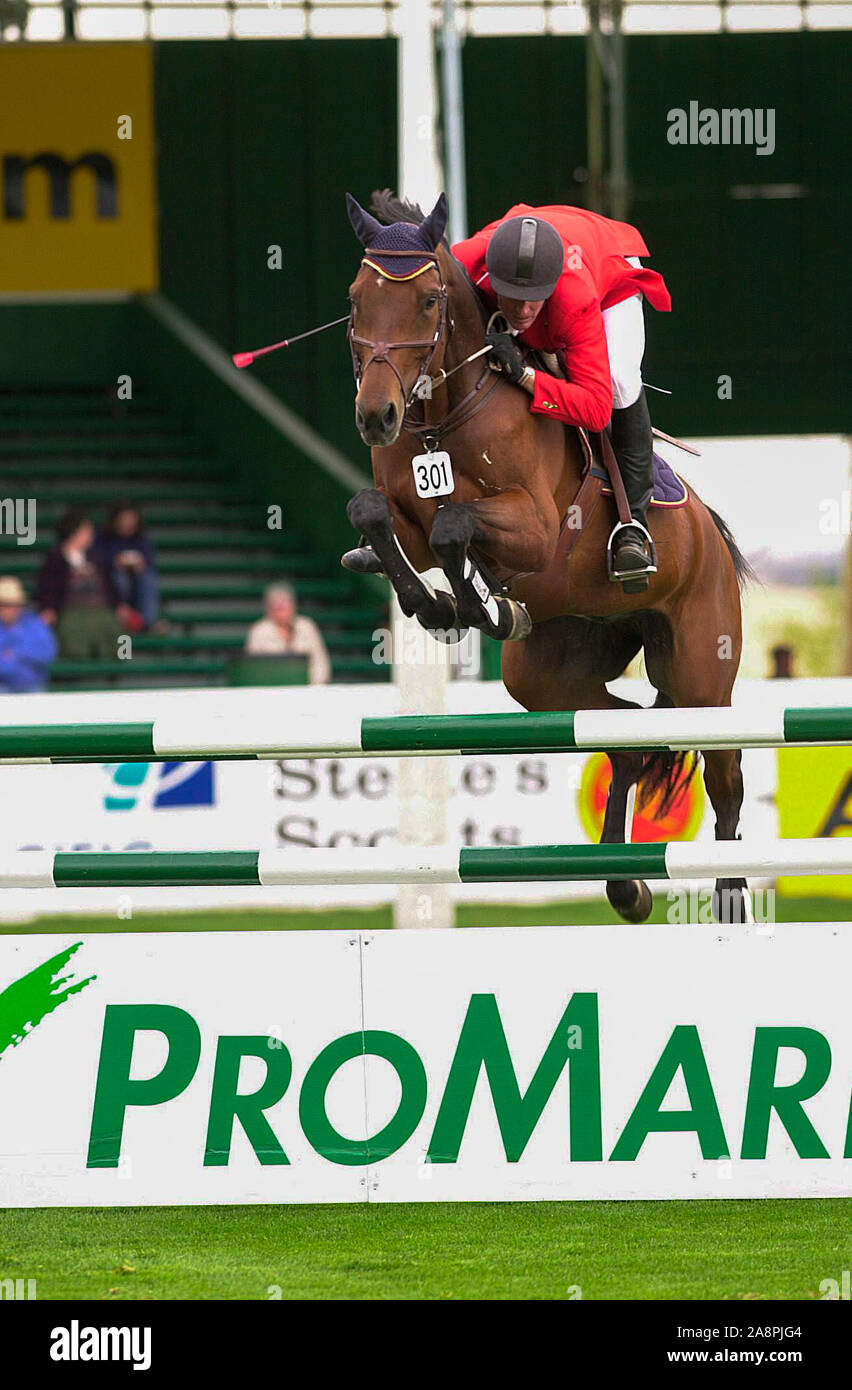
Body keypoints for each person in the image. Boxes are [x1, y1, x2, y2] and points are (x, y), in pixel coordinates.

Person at [451, 203, 672, 581]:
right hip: (536, 238)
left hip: (607, 261)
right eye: (512, 296)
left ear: (550, 287)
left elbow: (596, 411)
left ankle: (633, 525)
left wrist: (524, 376)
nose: (523, 310)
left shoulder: (575, 300)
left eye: (533, 298)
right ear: (492, 278)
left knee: (620, 381)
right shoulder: (468, 262)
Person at [36, 509, 124, 659]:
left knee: (112, 628)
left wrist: (120, 605)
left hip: (101, 611)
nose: (91, 535)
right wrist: (48, 608)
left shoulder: (97, 558)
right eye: (86, 531)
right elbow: (48, 587)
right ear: (74, 532)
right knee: (73, 633)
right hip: (72, 612)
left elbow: (110, 586)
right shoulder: (55, 559)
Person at [245, 583, 331, 684]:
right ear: (269, 609)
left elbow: (320, 662)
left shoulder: (307, 626)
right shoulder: (258, 631)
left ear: (293, 606)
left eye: (285, 606)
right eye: (277, 607)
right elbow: (253, 668)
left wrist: (312, 685)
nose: (282, 611)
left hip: (307, 687)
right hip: (272, 688)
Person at [92, 503, 160, 630]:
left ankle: (147, 623)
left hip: (136, 580)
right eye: (125, 519)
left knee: (148, 577)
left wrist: (140, 563)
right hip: (112, 579)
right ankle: (121, 620)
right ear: (116, 520)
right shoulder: (103, 537)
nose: (128, 523)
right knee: (119, 578)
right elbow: (97, 560)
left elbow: (148, 559)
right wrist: (114, 562)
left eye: (131, 519)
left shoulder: (141, 537)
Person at [0, 575, 57, 692]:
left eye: (12, 605)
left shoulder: (34, 624)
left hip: (32, 687)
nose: (8, 610)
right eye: (4, 605)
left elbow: (47, 653)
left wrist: (16, 654)